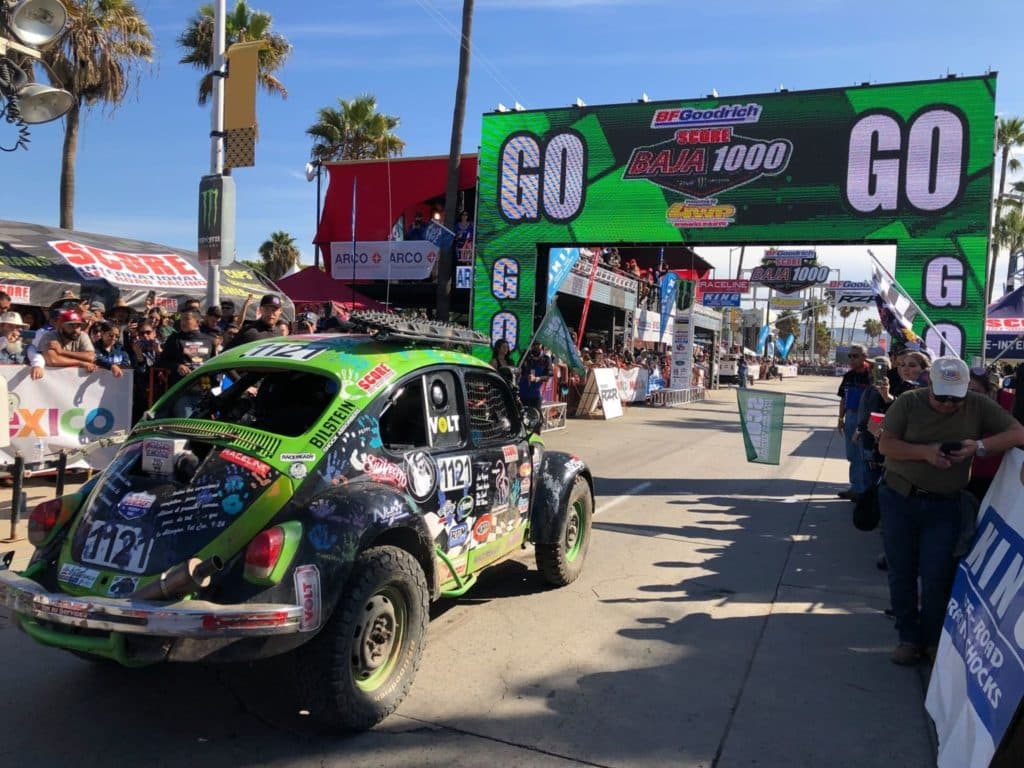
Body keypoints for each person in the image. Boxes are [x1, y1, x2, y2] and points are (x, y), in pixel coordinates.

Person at [878, 357, 1024, 665]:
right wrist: (926, 453)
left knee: (937, 575)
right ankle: (908, 637)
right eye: (940, 396)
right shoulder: (908, 402)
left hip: (945, 503)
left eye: (954, 398)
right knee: (901, 570)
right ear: (929, 384)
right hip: (900, 498)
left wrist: (978, 446)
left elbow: (1018, 433)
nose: (946, 404)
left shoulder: (977, 405)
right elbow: (886, 445)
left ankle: (932, 639)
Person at [836, 344, 872, 501]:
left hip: (866, 417)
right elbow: (843, 398)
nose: (851, 359)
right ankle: (855, 486)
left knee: (862, 454)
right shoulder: (848, 376)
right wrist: (840, 419)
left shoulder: (873, 374)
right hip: (850, 416)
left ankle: (863, 489)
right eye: (849, 356)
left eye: (855, 356)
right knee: (852, 454)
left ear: (865, 357)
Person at [157, 310, 216, 386]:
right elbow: (162, 361)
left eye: (187, 319)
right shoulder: (174, 339)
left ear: (197, 322)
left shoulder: (210, 340)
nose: (182, 322)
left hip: (204, 385)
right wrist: (177, 366)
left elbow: (214, 362)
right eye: (181, 319)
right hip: (181, 387)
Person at [519, 342, 551, 410]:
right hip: (523, 392)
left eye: (538, 344)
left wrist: (536, 378)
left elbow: (547, 377)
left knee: (536, 416)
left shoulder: (546, 359)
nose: (536, 346)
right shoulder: (525, 356)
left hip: (536, 393)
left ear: (541, 345)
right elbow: (519, 369)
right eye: (534, 344)